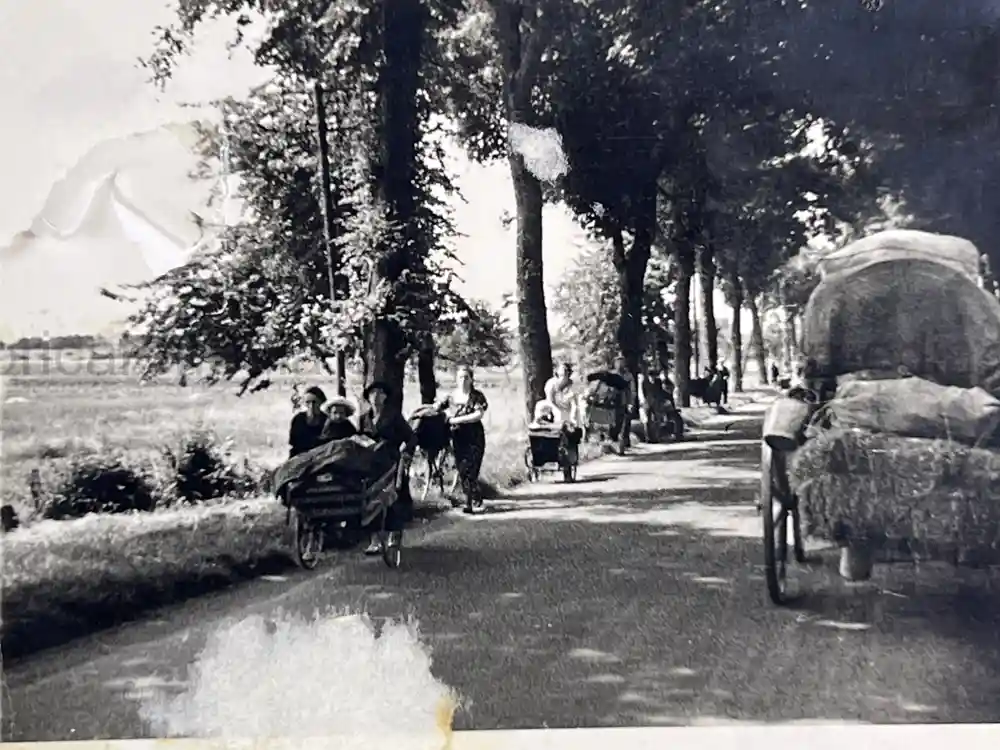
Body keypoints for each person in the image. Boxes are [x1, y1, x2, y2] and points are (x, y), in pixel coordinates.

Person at [359, 381, 418, 555]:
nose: (376, 397)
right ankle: (374, 540)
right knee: (370, 499)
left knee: (394, 499)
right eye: (372, 394)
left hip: (391, 462)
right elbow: (359, 438)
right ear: (368, 398)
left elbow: (411, 437)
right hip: (370, 465)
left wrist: (407, 453)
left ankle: (394, 534)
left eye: (380, 393)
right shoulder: (364, 419)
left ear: (385, 397)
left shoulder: (394, 417)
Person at [437, 366, 489, 514]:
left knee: (472, 469)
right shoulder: (451, 397)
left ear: (471, 379)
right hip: (458, 438)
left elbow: (478, 414)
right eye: (460, 377)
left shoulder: (477, 396)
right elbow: (438, 408)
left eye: (466, 377)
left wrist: (455, 420)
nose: (463, 380)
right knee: (462, 469)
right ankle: (473, 499)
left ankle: (470, 502)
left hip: (475, 437)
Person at [288, 386, 330, 458]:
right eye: (308, 402)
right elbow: (293, 443)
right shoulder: (298, 419)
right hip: (300, 456)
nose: (311, 406)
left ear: (321, 402)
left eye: (314, 402)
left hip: (321, 457)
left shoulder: (327, 420)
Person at [609, 356, 634, 451]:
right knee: (613, 424)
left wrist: (630, 403)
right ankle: (612, 442)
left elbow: (631, 390)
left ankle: (622, 444)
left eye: (622, 362)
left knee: (623, 424)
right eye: (618, 362)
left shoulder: (628, 376)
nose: (620, 365)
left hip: (623, 402)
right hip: (611, 403)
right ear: (614, 363)